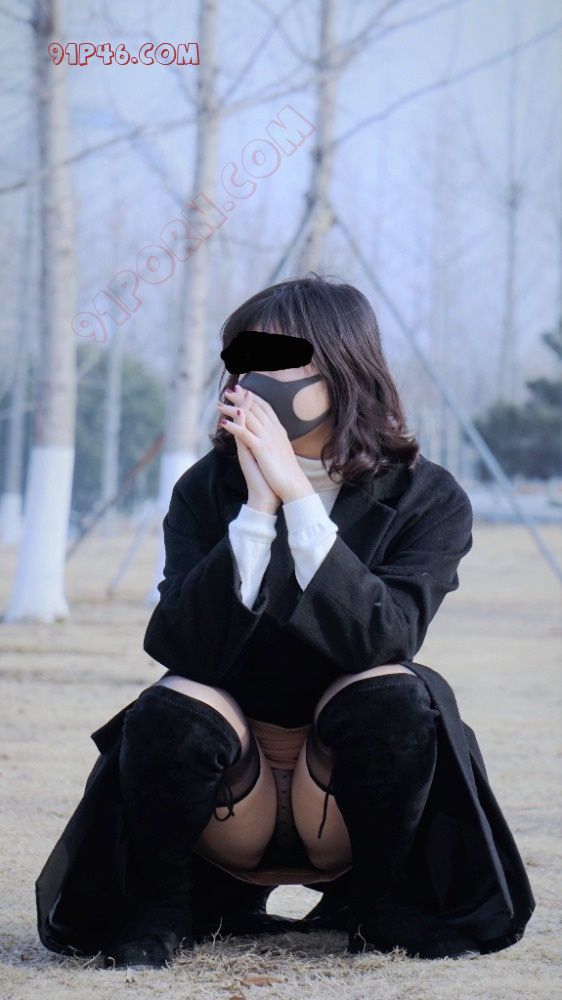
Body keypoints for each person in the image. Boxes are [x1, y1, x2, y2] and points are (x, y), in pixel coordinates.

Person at [35, 273, 535, 969]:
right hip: (228, 795)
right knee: (171, 705)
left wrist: (300, 498)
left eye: (275, 359)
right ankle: (160, 911)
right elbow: (177, 646)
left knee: (395, 693)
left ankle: (384, 906)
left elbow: (384, 639)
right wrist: (256, 511)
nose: (249, 380)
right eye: (241, 359)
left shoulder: (425, 497)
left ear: (341, 368)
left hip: (345, 796)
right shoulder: (207, 487)